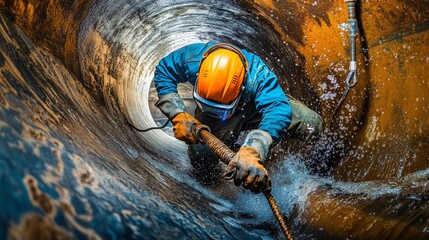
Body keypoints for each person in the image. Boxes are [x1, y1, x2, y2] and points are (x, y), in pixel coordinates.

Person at [153, 42, 323, 194]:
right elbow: (164, 70)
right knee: (202, 161)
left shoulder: (258, 77)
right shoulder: (191, 60)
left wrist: (254, 149)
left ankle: (276, 150)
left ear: (241, 88)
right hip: (218, 121)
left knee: (311, 124)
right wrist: (177, 113)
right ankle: (228, 143)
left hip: (254, 108)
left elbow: (277, 109)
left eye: (219, 109)